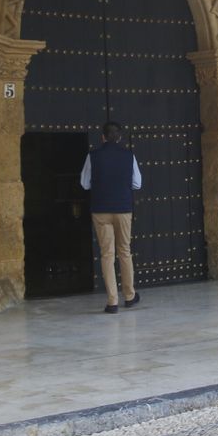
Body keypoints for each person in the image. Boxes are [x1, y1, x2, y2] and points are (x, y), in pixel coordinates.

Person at [79, 121, 143, 314]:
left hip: (101, 209)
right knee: (124, 250)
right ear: (120, 137)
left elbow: (84, 183)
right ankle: (130, 295)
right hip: (123, 209)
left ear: (103, 137)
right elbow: (137, 184)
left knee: (107, 254)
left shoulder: (93, 156)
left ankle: (112, 301)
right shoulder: (128, 156)